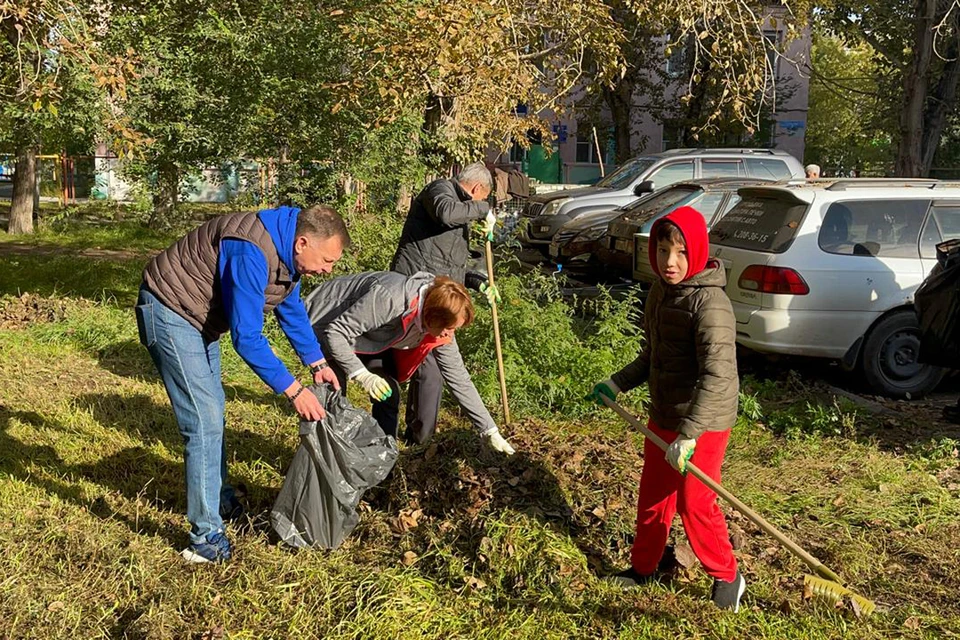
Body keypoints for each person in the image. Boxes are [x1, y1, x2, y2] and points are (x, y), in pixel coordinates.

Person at [136, 205, 349, 563]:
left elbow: (290, 306)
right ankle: (205, 538)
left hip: (200, 318)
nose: (328, 270)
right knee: (203, 420)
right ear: (302, 243)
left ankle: (218, 497)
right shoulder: (250, 249)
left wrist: (317, 362)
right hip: (170, 310)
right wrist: (293, 390)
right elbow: (247, 338)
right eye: (327, 260)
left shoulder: (285, 254)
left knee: (213, 411)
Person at [589, 206, 745, 612]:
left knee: (695, 502)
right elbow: (654, 355)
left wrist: (690, 433)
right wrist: (617, 383)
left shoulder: (711, 305)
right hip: (664, 413)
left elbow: (718, 376)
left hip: (705, 420)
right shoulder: (660, 292)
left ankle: (728, 575)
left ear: (695, 251)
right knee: (654, 495)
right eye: (662, 250)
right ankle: (644, 568)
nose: (669, 262)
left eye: (679, 252)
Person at [304, 270, 515, 455]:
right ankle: (319, 462)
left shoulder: (438, 323)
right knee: (333, 400)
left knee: (389, 394)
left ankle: (381, 459)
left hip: (369, 336)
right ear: (431, 317)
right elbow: (336, 332)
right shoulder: (391, 299)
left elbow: (459, 379)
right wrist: (361, 374)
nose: (450, 334)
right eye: (448, 329)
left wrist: (489, 429)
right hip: (326, 323)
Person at [390, 162, 499, 444]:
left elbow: (452, 264)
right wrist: (483, 209)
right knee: (431, 367)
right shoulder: (440, 191)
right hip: (415, 295)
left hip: (437, 298)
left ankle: (417, 432)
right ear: (477, 189)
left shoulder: (460, 209)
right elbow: (446, 214)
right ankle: (419, 439)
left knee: (428, 367)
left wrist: (478, 281)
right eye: (482, 197)